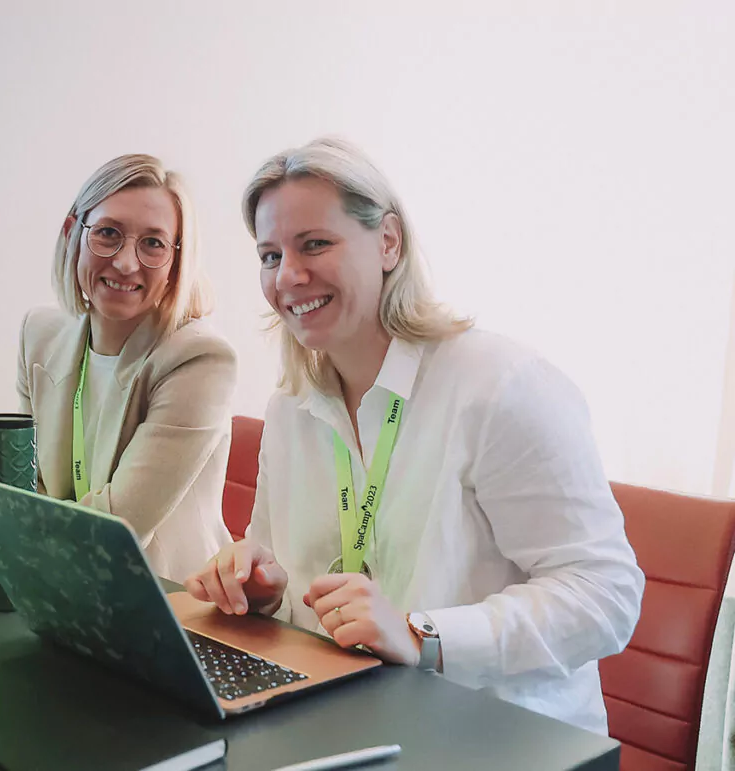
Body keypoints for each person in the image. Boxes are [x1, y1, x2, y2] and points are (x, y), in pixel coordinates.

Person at [184, 138, 644, 733]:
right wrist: (266, 589)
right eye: (270, 256)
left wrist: (420, 634)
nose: (289, 276)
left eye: (315, 244)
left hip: (500, 739)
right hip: (357, 720)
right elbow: (286, 568)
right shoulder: (292, 407)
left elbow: (605, 595)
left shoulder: (500, 386)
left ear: (389, 241)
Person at [0, 154, 235, 580]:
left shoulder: (199, 359)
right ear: (72, 233)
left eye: (153, 243)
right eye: (108, 234)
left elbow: (118, 525)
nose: (127, 263)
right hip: (60, 579)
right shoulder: (42, 333)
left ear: (177, 261)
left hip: (164, 598)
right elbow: (27, 478)